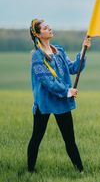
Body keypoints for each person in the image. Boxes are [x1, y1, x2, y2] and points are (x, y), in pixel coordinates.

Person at [27, 19, 91, 173]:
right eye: (45, 27)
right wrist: (67, 91)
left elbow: (74, 68)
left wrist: (83, 50)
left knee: (70, 140)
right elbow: (47, 81)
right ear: (38, 34)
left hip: (61, 103)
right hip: (45, 103)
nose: (49, 28)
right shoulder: (37, 56)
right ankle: (30, 171)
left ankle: (80, 171)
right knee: (36, 138)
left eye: (49, 26)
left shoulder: (59, 51)